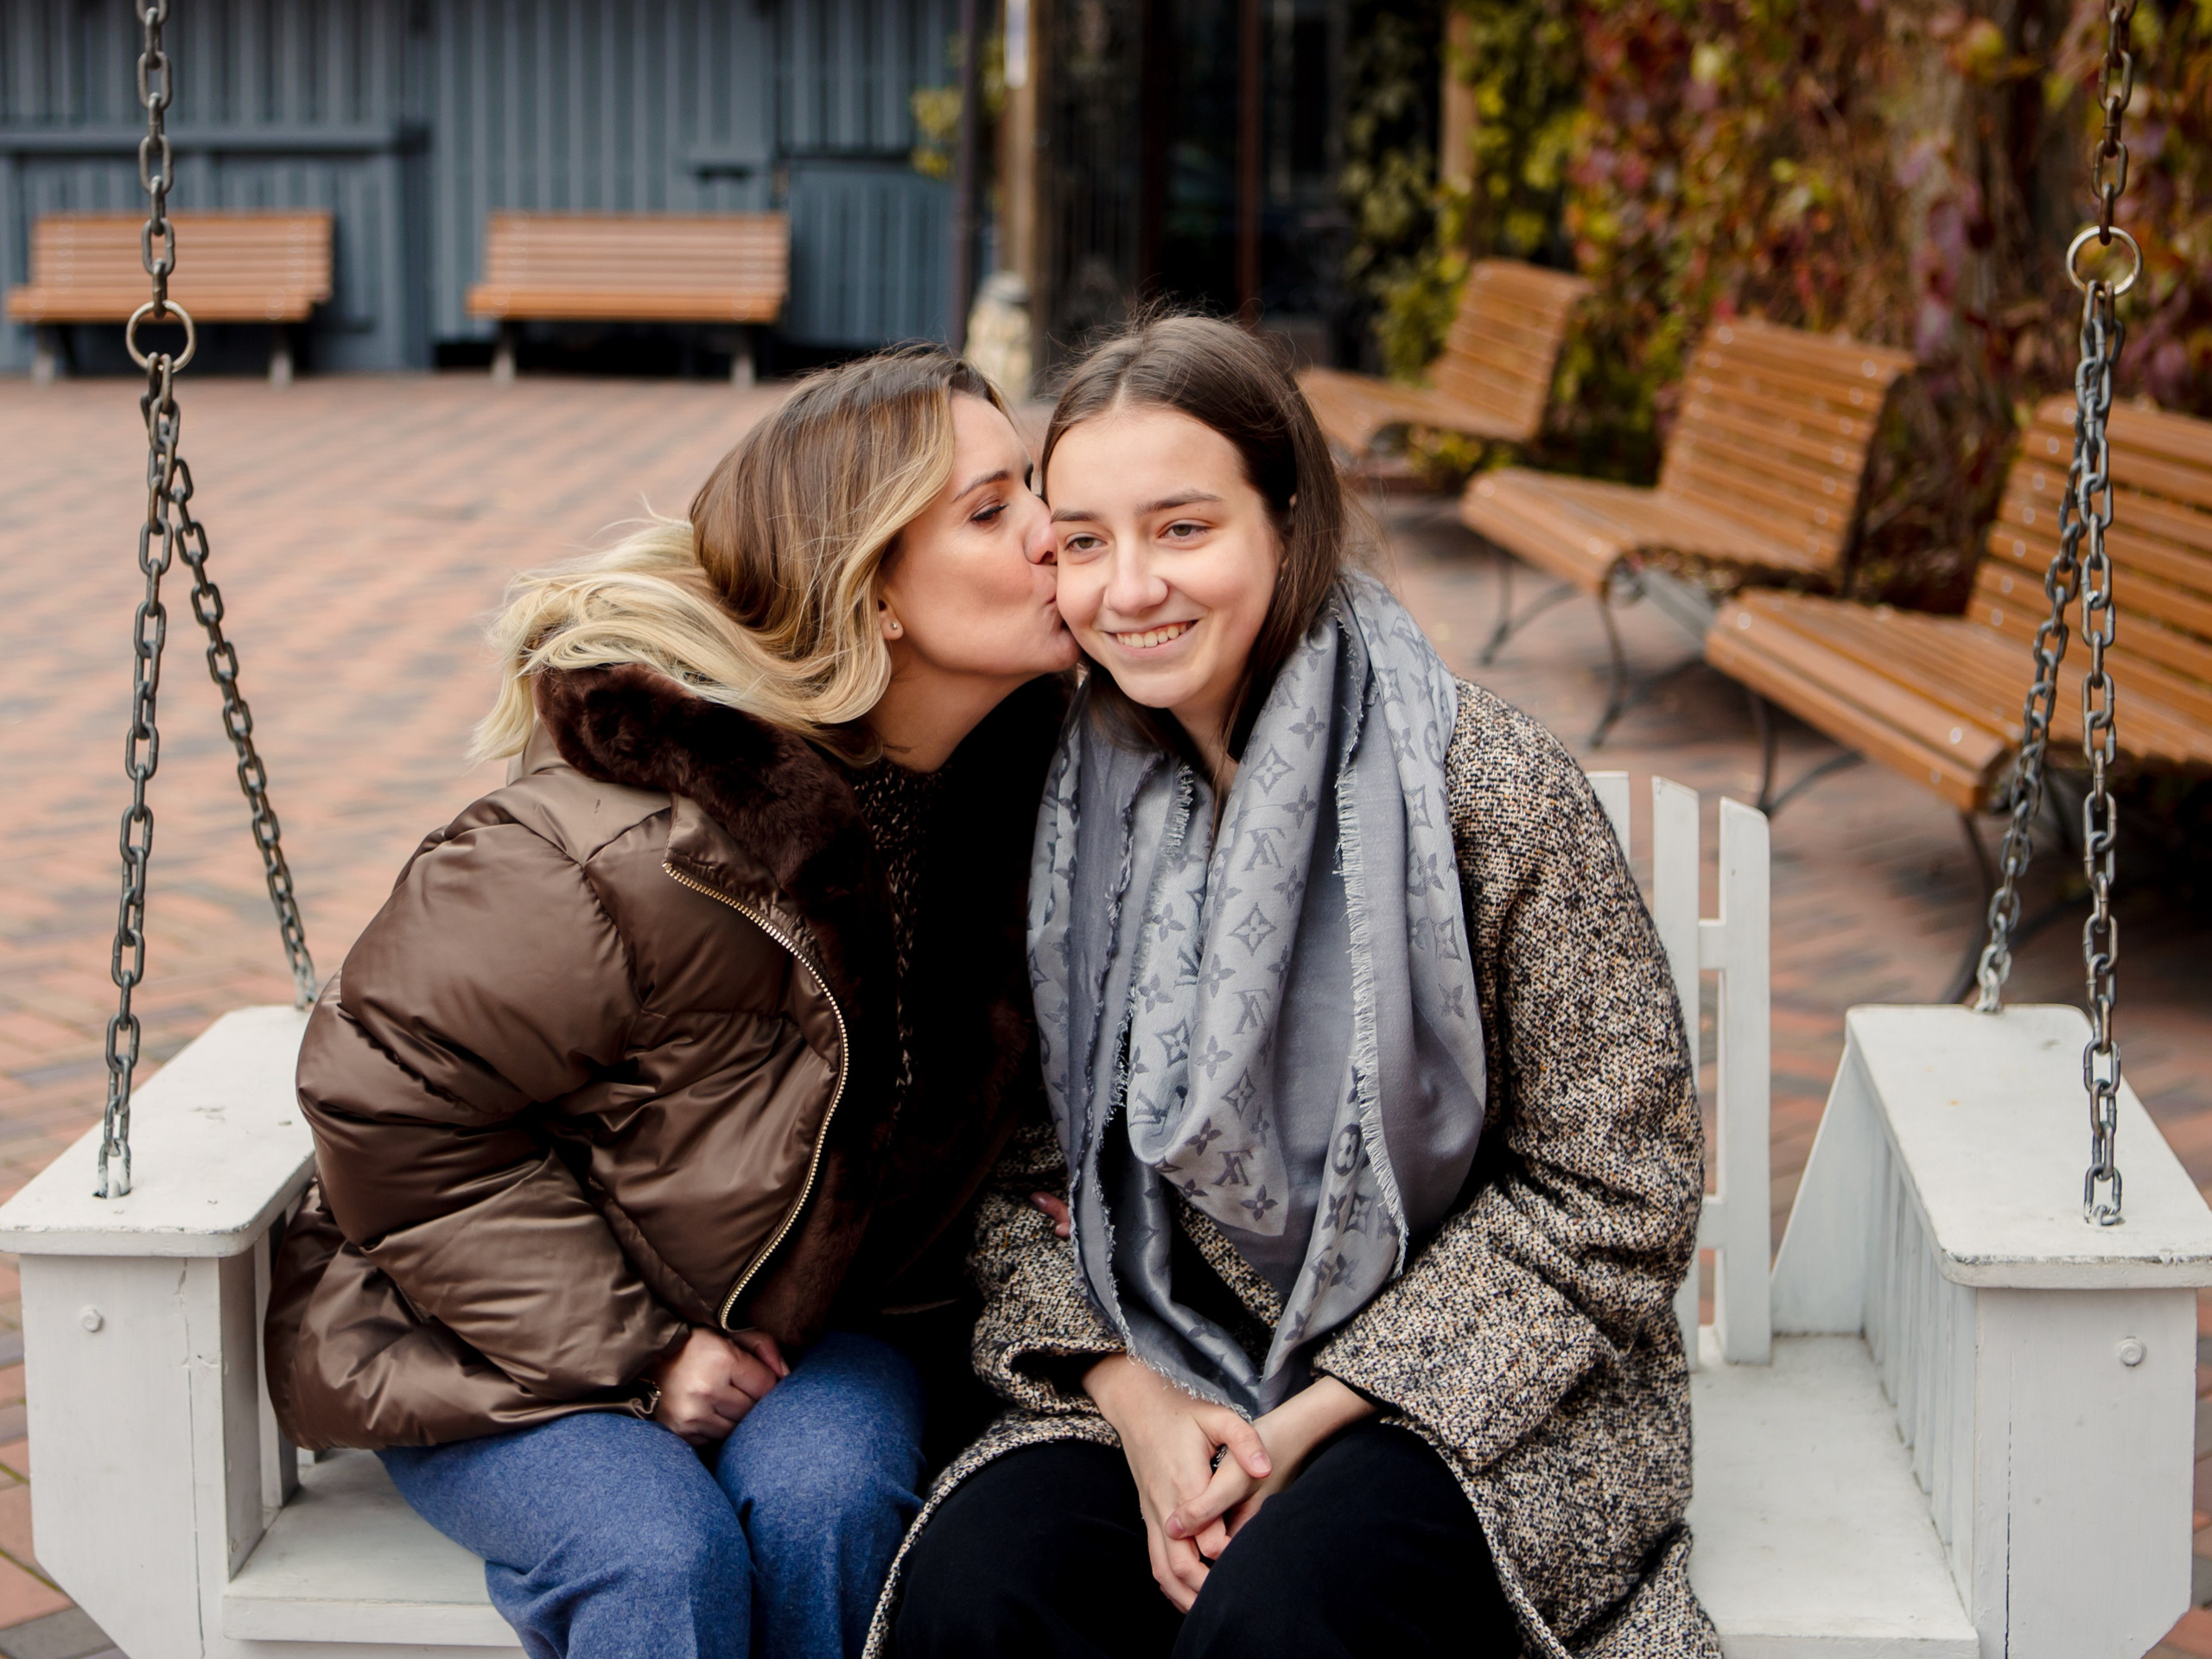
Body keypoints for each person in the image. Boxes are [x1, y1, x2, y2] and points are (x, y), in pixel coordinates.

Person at [880, 316, 1719, 1659]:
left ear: (1286, 519)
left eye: (1184, 529)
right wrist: (1141, 1411)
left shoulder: (1477, 792)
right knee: (981, 1599)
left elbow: (1613, 1195)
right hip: (1150, 1358)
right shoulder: (1056, 804)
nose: (1130, 586)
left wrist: (1301, 1423)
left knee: (1283, 1626)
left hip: (1459, 1392)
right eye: (1084, 540)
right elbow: (1020, 1165)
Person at [263, 346, 1080, 1659]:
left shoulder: (1008, 798)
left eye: (1032, 484)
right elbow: (384, 1098)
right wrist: (644, 1355)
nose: (1055, 532)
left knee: (827, 1496)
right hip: (501, 1337)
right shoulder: (628, 851)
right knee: (660, 1554)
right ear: (872, 594)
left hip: (805, 1327)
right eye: (993, 511)